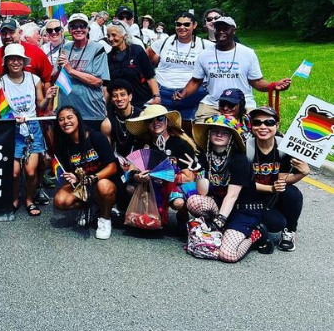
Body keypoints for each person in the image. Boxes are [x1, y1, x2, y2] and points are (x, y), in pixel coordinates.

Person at [188, 114, 274, 261]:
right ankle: (221, 228)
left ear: (231, 137)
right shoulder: (205, 156)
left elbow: (232, 195)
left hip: (243, 210)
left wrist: (219, 221)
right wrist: (199, 172)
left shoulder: (239, 160)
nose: (219, 134)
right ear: (209, 134)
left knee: (227, 255)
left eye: (225, 132)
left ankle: (256, 234)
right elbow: (203, 192)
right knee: (194, 201)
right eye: (215, 131)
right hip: (221, 205)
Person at [174, 16, 291, 120]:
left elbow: (256, 81)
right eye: (217, 29)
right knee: (201, 130)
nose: (221, 32)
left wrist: (273, 86)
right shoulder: (204, 55)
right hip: (213, 104)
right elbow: (196, 81)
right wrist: (183, 93)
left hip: (242, 105)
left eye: (225, 29)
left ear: (234, 31)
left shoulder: (248, 53)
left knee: (252, 130)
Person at [0, 44, 55, 215]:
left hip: (32, 127)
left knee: (30, 171)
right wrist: (12, 119)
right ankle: (14, 199)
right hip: (12, 129)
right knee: (14, 173)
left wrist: (48, 97)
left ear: (23, 61)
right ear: (6, 62)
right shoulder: (0, 83)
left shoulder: (34, 79)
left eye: (18, 59)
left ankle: (28, 199)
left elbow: (40, 104)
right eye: (11, 59)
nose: (15, 62)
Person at [124, 104, 201, 230]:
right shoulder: (142, 143)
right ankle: (144, 214)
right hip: (148, 185)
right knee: (130, 188)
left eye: (160, 118)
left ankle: (182, 216)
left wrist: (166, 178)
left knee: (178, 203)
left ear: (167, 121)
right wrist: (138, 177)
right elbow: (131, 171)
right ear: (146, 124)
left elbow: (189, 177)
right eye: (150, 120)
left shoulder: (180, 144)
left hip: (173, 186)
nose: (155, 123)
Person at [247, 106, 308, 252]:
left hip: (273, 194)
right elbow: (243, 184)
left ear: (277, 125)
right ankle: (252, 225)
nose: (263, 127)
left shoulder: (283, 146)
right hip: (251, 195)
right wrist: (270, 188)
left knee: (293, 193)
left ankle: (290, 231)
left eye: (269, 122)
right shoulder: (246, 148)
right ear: (252, 126)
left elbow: (283, 179)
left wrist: (302, 173)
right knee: (276, 223)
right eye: (257, 122)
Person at [51, 105, 118, 239]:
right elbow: (72, 172)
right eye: (61, 119)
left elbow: (112, 167)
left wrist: (92, 178)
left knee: (103, 186)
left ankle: (105, 218)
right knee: (60, 200)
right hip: (83, 183)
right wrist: (72, 177)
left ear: (78, 119)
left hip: (104, 181)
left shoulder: (96, 137)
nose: (66, 122)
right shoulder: (64, 145)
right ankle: (90, 207)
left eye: (70, 117)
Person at [148, 11, 212, 132]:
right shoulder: (164, 42)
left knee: (188, 130)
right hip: (163, 93)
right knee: (162, 129)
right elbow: (146, 57)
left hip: (192, 95)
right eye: (178, 24)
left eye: (187, 24)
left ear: (194, 25)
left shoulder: (205, 45)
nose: (182, 27)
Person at [56, 13, 110, 132]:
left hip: (90, 112)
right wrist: (59, 69)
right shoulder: (64, 48)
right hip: (67, 112)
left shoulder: (98, 49)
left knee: (92, 149)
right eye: (74, 26)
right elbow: (55, 78)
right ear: (69, 30)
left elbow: (97, 81)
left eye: (82, 26)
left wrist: (71, 70)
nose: (78, 29)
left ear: (88, 29)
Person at [0, 19, 53, 89]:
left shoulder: (36, 52)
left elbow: (48, 80)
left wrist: (47, 99)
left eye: (11, 32)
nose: (7, 36)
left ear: (20, 32)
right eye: (4, 33)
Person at [105, 22, 159, 109]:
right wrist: (104, 107)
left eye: (114, 35)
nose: (110, 39)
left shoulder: (137, 51)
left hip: (141, 102)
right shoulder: (108, 57)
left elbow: (150, 76)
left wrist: (156, 96)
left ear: (125, 36)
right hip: (120, 105)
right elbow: (107, 85)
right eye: (108, 36)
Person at [105, 79, 142, 159]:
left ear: (130, 97)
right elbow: (107, 150)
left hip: (139, 158)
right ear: (111, 100)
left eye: (122, 94)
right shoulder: (108, 121)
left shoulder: (141, 116)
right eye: (115, 96)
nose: (119, 99)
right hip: (117, 158)